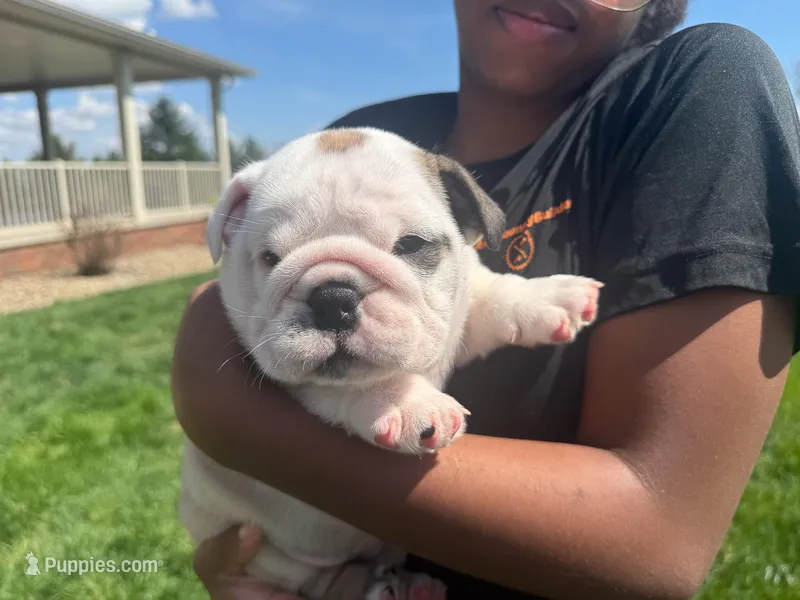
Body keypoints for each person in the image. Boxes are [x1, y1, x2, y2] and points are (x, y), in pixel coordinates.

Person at [172, 0, 800, 598]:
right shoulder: (359, 139)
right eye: (279, 257)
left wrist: (222, 408)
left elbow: (660, 539)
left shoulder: (692, 92)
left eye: (409, 248)